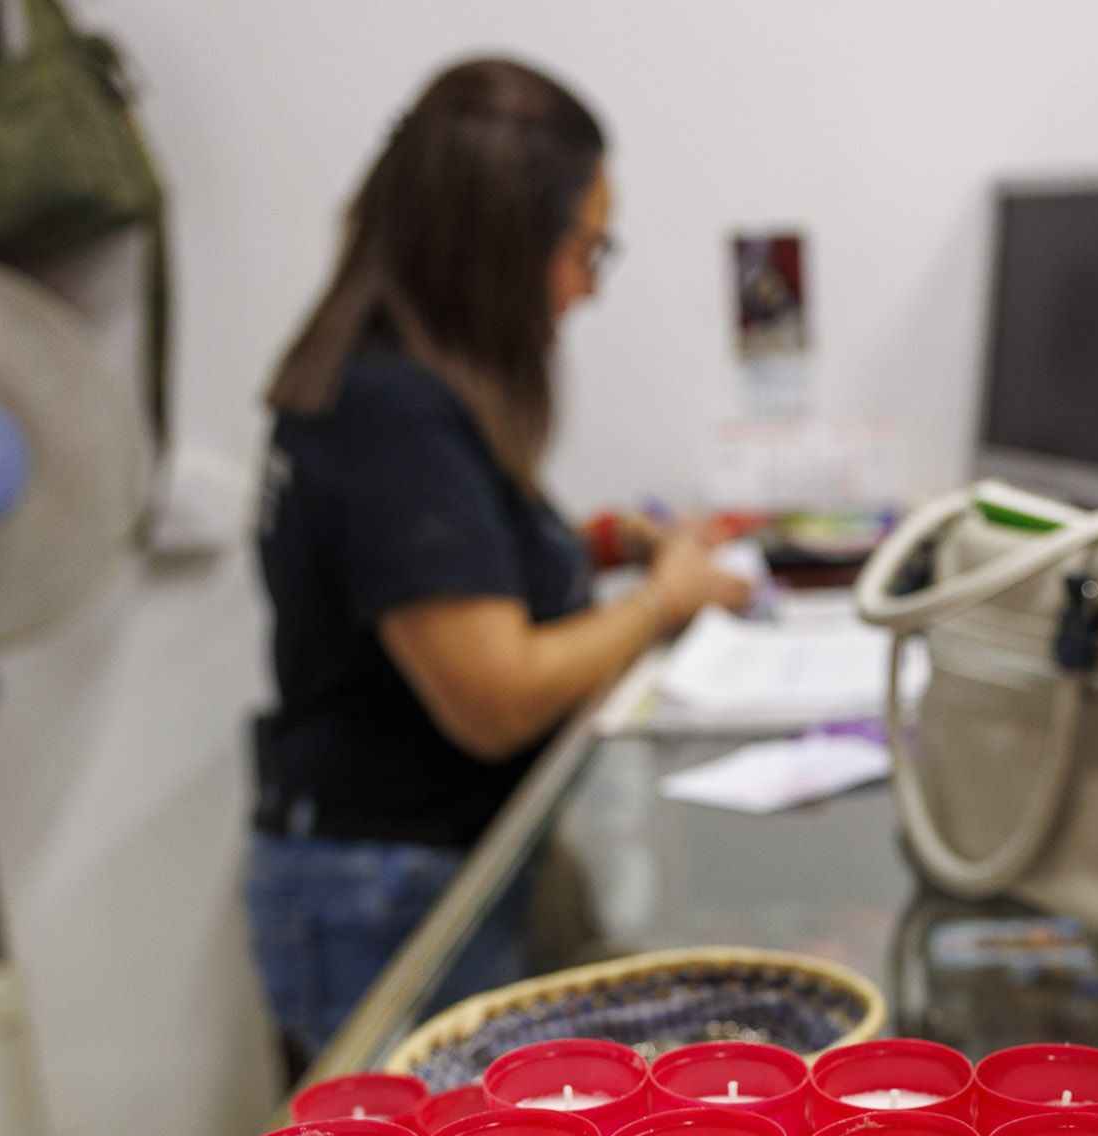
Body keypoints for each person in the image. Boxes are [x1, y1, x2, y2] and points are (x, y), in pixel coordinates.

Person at [248, 59, 747, 1075]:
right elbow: (495, 693)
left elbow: (447, 575)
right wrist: (663, 599)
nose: (588, 287)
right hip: (387, 889)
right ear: (503, 241)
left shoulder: (394, 377)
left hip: (398, 864)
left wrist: (604, 547)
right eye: (584, 249)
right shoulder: (394, 412)